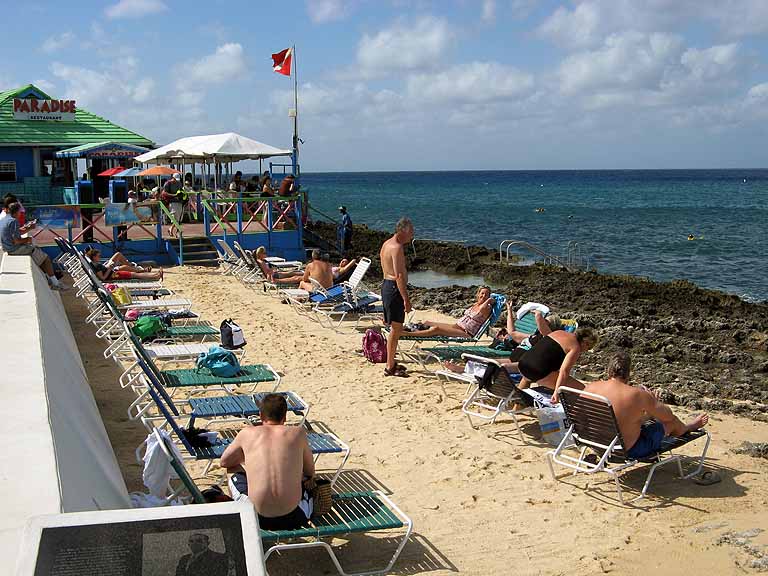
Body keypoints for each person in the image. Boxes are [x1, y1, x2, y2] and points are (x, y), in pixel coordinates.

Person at [585, 351, 708, 460]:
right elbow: (668, 416)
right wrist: (654, 401)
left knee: (639, 420)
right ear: (628, 373)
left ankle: (682, 426)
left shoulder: (590, 388)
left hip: (597, 445)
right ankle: (688, 428)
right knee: (671, 422)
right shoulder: (637, 394)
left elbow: (618, 419)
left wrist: (648, 415)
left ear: (608, 371)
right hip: (627, 451)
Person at [221, 394, 315, 530]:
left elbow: (225, 462)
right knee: (304, 479)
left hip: (256, 518)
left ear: (260, 415)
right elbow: (309, 472)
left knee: (232, 469)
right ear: (285, 417)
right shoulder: (297, 433)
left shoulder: (247, 433)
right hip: (295, 517)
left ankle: (244, 513)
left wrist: (249, 459)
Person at [506, 326, 598, 401]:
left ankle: (517, 406)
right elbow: (564, 371)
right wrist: (557, 392)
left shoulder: (558, 332)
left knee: (528, 377)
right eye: (589, 348)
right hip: (537, 372)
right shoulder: (575, 347)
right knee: (580, 388)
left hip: (523, 365)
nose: (586, 351)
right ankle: (574, 414)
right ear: (585, 343)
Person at [380, 217, 414, 377]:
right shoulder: (397, 248)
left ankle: (391, 362)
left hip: (386, 286)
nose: (412, 235)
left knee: (394, 328)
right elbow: (399, 275)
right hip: (393, 289)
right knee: (396, 328)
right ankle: (390, 366)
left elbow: (386, 270)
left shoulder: (386, 244)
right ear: (403, 231)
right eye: (411, 231)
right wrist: (406, 299)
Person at [0, 202, 62, 289]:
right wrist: (28, 239)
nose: (20, 214)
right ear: (16, 212)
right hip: (14, 249)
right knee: (46, 259)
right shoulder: (13, 221)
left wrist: (29, 227)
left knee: (40, 257)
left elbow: (16, 232)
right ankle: (56, 284)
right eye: (20, 212)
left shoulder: (4, 219)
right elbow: (16, 241)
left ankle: (50, 279)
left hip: (7, 248)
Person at [405, 286, 495, 338]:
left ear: (489, 297)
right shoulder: (476, 304)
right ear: (478, 294)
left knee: (436, 329)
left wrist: (489, 300)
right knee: (426, 322)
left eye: (486, 294)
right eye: (482, 293)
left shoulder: (487, 307)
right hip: (457, 326)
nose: (483, 296)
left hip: (466, 333)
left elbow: (482, 308)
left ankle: (408, 333)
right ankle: (411, 328)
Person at [84, 246, 162, 281]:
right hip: (113, 275)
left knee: (133, 274)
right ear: (94, 257)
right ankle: (156, 275)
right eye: (98, 256)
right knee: (134, 275)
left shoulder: (95, 264)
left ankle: (156, 275)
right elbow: (103, 278)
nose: (99, 257)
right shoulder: (97, 266)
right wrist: (109, 268)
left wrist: (109, 268)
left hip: (113, 273)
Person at [161, 173, 183, 237]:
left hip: (179, 201)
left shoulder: (179, 183)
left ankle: (171, 229)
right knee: (174, 217)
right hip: (172, 202)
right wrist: (174, 195)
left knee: (178, 218)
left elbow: (181, 190)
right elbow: (164, 193)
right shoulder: (167, 183)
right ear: (173, 178)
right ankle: (177, 232)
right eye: (175, 179)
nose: (176, 181)